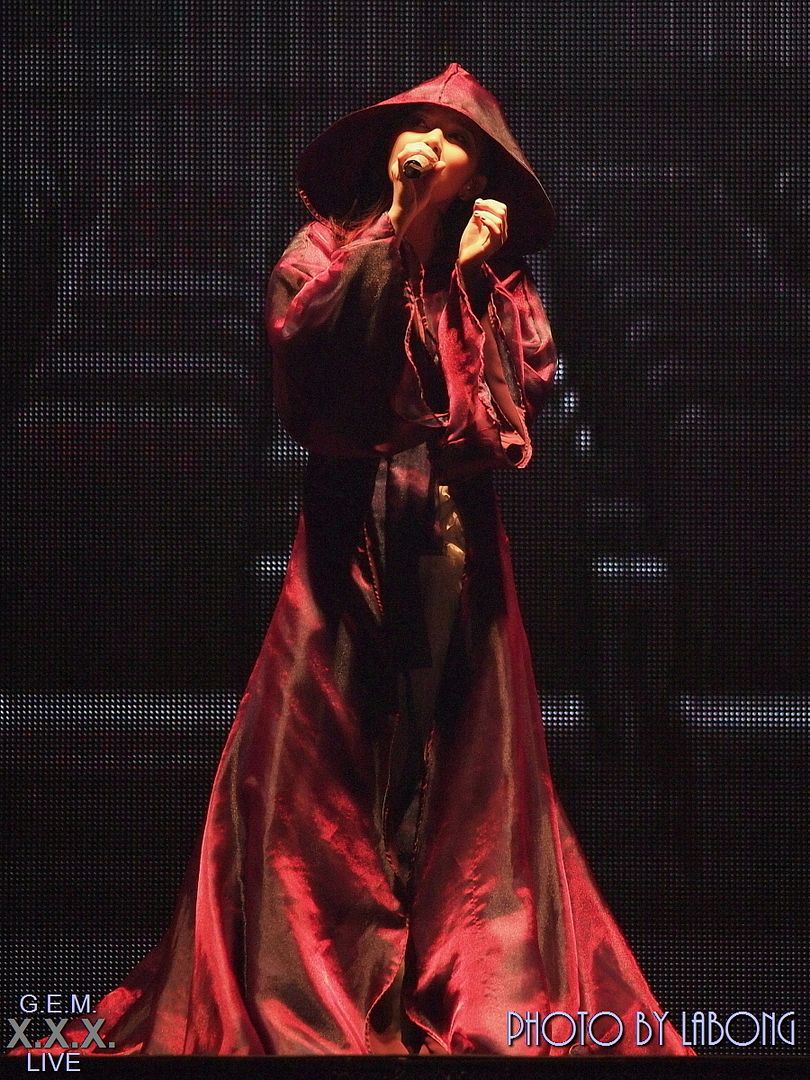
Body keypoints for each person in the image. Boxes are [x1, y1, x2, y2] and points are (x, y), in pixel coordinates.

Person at [11, 64, 694, 1058]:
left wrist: (462, 277)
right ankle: (316, 986)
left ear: (480, 173)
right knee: (317, 777)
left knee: (468, 782)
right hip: (346, 550)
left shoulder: (499, 285)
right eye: (415, 127)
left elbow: (495, 421)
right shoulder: (320, 254)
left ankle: (461, 982)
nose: (427, 143)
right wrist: (400, 240)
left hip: (459, 558)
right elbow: (322, 385)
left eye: (452, 137)